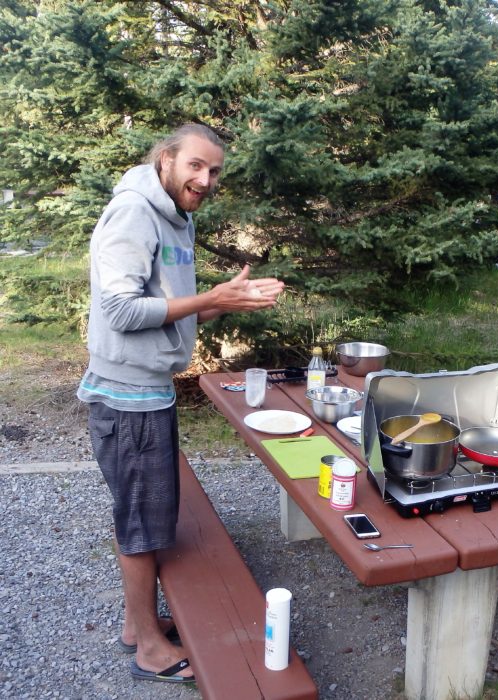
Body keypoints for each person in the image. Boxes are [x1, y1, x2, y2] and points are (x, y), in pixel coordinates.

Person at [77, 123, 284, 684]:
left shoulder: (175, 215)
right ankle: (147, 646)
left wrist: (227, 301)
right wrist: (212, 296)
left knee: (151, 512)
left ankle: (134, 623)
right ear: (166, 160)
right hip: (127, 399)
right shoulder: (133, 213)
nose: (205, 179)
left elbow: (168, 306)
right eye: (195, 165)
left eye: (214, 171)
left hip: (150, 389)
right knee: (142, 520)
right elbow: (121, 310)